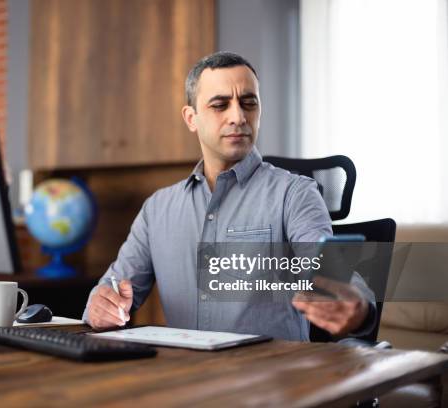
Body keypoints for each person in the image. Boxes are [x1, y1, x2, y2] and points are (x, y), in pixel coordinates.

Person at [82, 52, 375, 340]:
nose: (238, 116)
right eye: (220, 105)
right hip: (185, 379)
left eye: (249, 103)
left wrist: (356, 303)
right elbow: (113, 286)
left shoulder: (296, 194)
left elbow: (337, 276)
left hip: (272, 381)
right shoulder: (157, 209)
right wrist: (101, 305)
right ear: (191, 118)